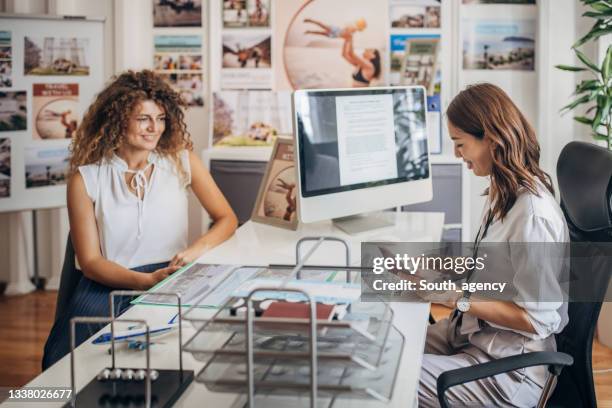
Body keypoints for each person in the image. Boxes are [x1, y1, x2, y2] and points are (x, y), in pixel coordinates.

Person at [42, 70, 238, 369]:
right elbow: (91, 262)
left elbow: (227, 218)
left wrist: (195, 251)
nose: (154, 128)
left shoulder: (181, 161)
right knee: (64, 365)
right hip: (108, 283)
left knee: (180, 356)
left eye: (160, 118)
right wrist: (144, 282)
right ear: (118, 120)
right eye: (143, 119)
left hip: (171, 277)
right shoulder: (86, 179)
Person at [417, 83, 569, 407]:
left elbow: (538, 319)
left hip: (508, 371)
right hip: (473, 336)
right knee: (385, 345)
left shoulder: (532, 215)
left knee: (386, 378)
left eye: (460, 144)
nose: (457, 154)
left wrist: (455, 297)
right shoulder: (502, 191)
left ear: (491, 137)